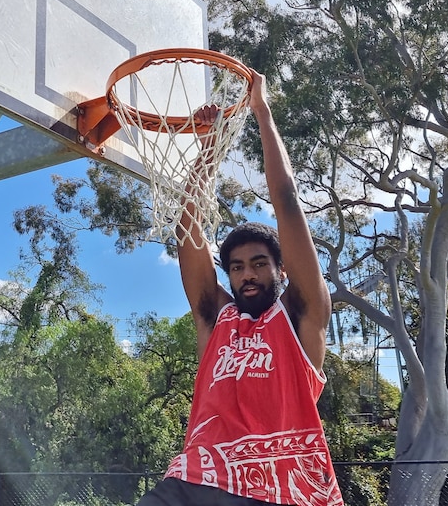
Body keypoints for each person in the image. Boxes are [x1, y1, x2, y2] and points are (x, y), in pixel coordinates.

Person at [137, 70, 344, 506]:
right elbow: (188, 231)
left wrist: (262, 114)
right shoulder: (218, 318)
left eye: (258, 264)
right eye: (236, 267)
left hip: (278, 487)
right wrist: (209, 147)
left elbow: (286, 200)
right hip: (195, 477)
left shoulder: (300, 316)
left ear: (281, 270)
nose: (246, 274)